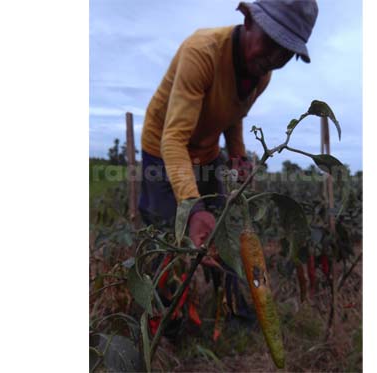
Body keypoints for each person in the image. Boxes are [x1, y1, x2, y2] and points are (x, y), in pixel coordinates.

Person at [138, 0, 319, 325]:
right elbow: (174, 139)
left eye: (287, 52)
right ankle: (162, 320)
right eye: (272, 43)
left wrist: (237, 153)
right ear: (248, 19)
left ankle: (233, 311)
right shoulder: (202, 52)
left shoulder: (262, 75)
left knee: (226, 230)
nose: (275, 59)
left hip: (207, 152)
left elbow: (234, 115)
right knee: (167, 235)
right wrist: (192, 208)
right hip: (163, 149)